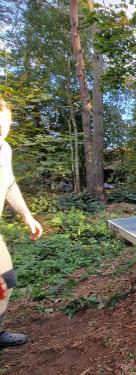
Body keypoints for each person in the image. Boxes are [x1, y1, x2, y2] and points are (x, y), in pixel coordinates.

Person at [0, 98, 43, 348]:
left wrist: (26, 214)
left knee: (7, 279)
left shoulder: (4, 149)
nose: (1, 132)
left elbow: (9, 183)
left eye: (4, 126)